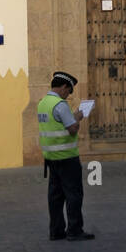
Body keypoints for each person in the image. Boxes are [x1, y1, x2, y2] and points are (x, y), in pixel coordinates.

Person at [37, 70, 95, 241]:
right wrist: (77, 117)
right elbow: (72, 129)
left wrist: (72, 116)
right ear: (63, 87)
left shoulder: (43, 103)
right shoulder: (60, 105)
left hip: (51, 158)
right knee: (73, 195)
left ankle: (56, 231)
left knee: (55, 197)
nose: (68, 95)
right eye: (69, 91)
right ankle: (75, 230)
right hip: (67, 157)